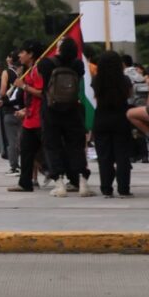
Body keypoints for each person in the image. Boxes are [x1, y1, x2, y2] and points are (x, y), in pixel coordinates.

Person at [38, 37, 94, 198]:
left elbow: (41, 74)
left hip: (51, 110)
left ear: (59, 48)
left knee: (52, 145)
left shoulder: (47, 63)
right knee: (76, 146)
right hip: (72, 110)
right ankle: (82, 183)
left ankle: (59, 183)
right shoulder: (78, 64)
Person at [91, 51, 133, 197]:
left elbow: (96, 97)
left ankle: (106, 188)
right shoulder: (125, 80)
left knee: (104, 156)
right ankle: (124, 188)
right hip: (121, 118)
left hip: (101, 118)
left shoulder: (96, 80)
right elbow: (129, 95)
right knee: (122, 155)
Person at [8, 40, 45, 192]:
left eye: (22, 52)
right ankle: (25, 183)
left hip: (39, 118)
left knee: (49, 151)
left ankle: (69, 177)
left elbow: (42, 93)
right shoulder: (30, 69)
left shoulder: (37, 70)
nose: (20, 55)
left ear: (30, 54)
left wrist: (23, 86)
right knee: (26, 151)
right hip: (30, 118)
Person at [0, 53, 25, 176]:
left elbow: (3, 90)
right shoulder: (25, 73)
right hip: (24, 110)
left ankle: (14, 166)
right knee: (23, 140)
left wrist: (1, 98)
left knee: (12, 141)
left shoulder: (6, 72)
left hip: (9, 109)